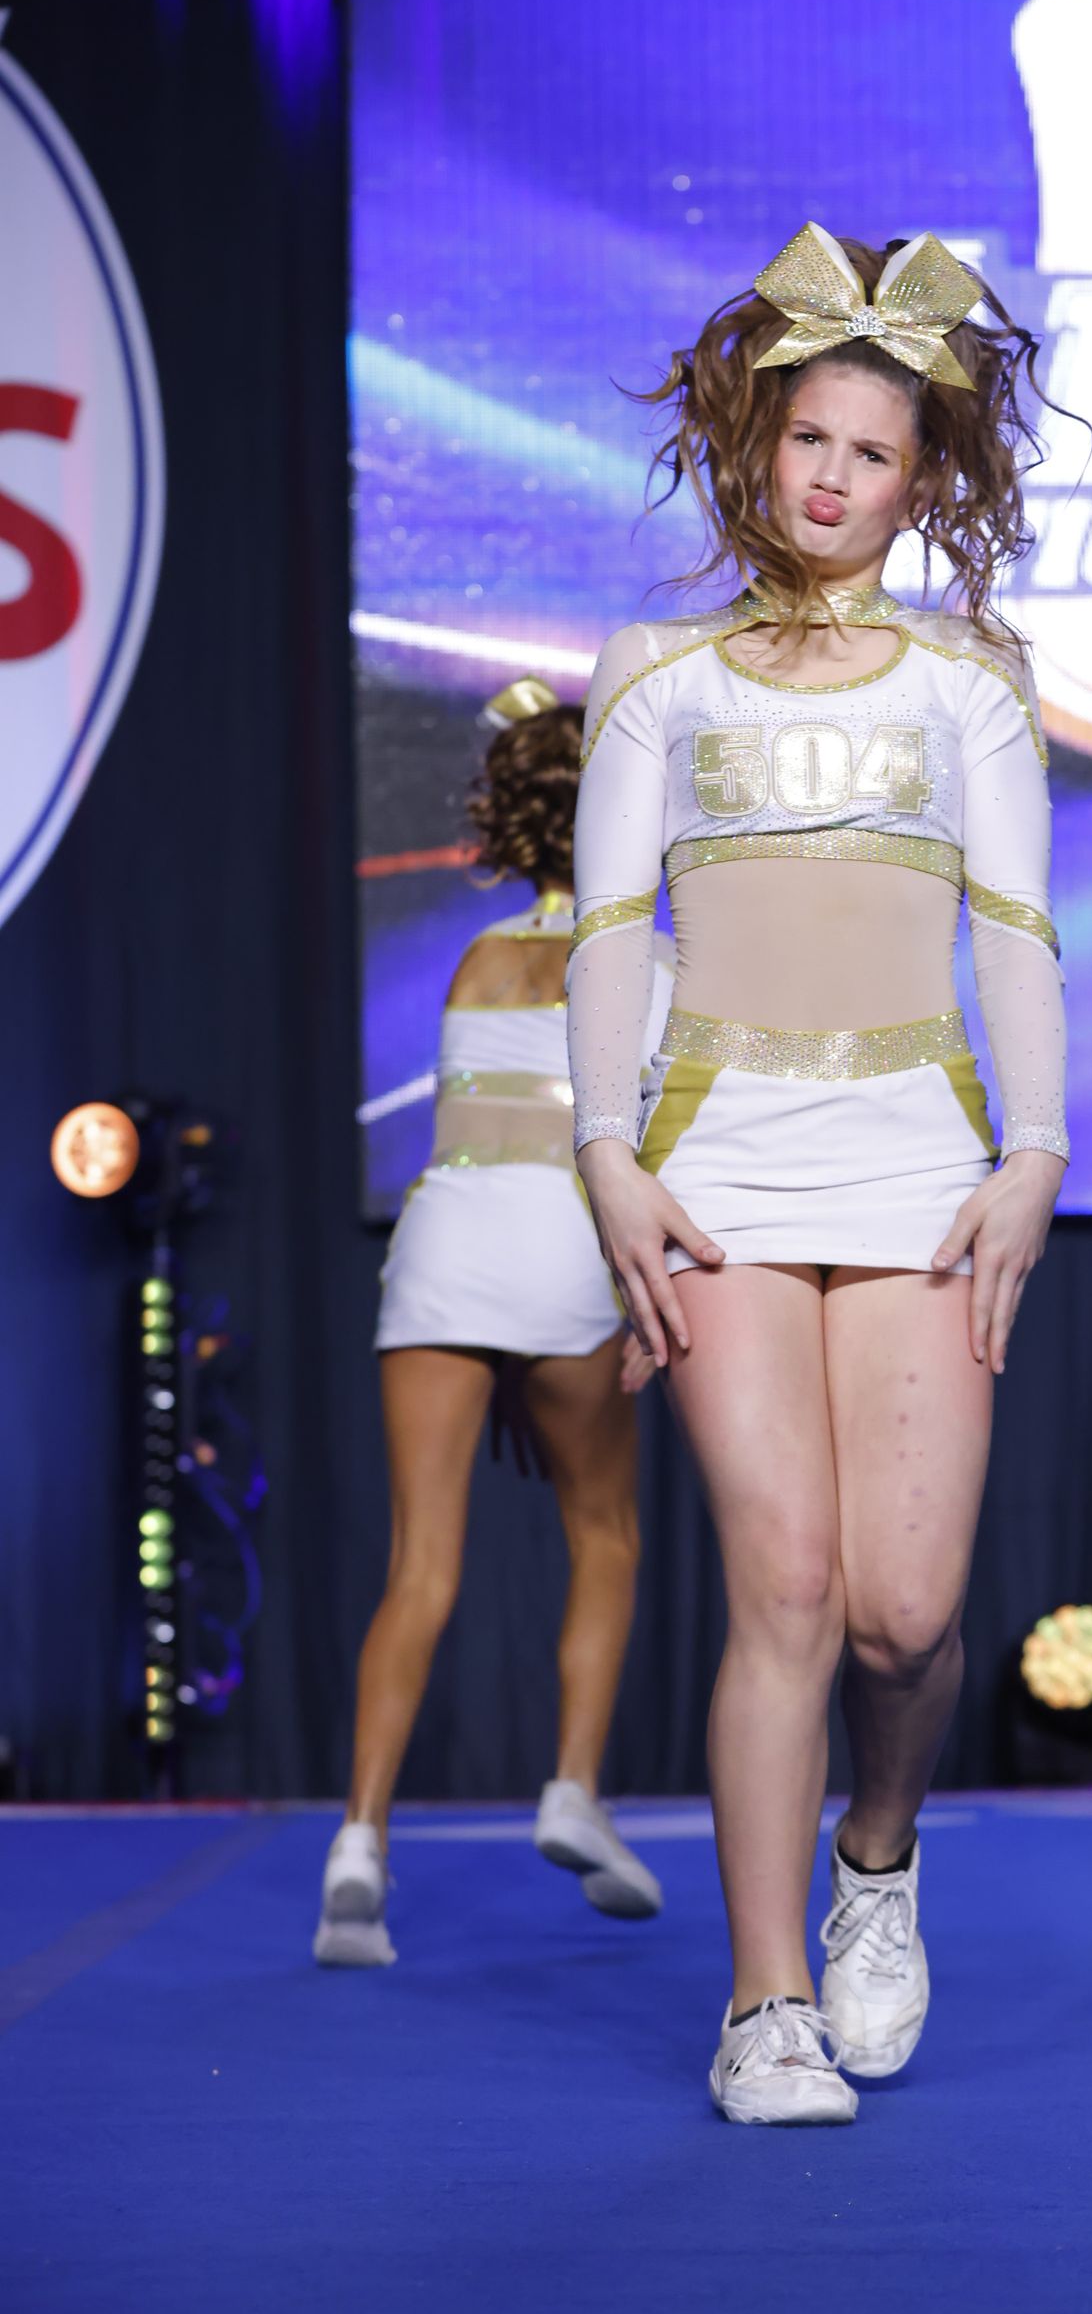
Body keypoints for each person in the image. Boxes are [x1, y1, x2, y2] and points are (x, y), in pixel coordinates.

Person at [569, 225, 1066, 2122]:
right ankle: (764, 1999)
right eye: (810, 440)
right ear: (756, 446)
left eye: (875, 450)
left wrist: (1035, 1150)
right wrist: (607, 1153)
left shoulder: (972, 681)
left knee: (904, 1614)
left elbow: (1015, 929)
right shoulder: (655, 667)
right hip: (718, 1165)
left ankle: (877, 1854)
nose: (835, 476)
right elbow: (616, 927)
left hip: (923, 1154)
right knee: (780, 1578)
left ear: (922, 478)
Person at [316, 681, 670, 1967]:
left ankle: (358, 1839)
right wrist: (642, 1307)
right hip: (563, 1243)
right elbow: (638, 1156)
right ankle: (573, 1788)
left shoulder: (476, 959)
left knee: (420, 1568)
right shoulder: (641, 958)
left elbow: (472, 1129)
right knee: (605, 1532)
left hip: (440, 1247)